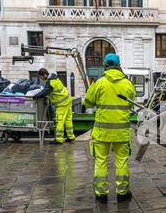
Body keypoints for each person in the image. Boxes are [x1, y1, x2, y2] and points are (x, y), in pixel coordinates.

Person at [83, 53, 136, 204]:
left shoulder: (99, 83)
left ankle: (101, 194)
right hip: (121, 133)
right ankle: (122, 193)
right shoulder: (128, 84)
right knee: (122, 162)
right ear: (119, 65)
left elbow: (87, 103)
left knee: (100, 161)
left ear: (104, 66)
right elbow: (131, 105)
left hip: (102, 133)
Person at [34, 69, 75, 145]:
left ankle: (59, 139)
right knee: (68, 120)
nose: (41, 79)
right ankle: (71, 137)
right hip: (67, 99)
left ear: (45, 75)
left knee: (60, 121)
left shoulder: (50, 83)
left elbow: (45, 92)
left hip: (62, 103)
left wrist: (36, 96)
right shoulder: (54, 78)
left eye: (41, 77)